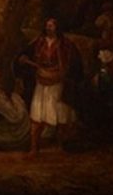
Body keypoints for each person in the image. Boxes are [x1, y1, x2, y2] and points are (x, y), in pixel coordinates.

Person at [16, 17, 83, 156]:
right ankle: (34, 148)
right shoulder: (38, 42)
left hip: (58, 82)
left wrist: (64, 73)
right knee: (37, 116)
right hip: (41, 82)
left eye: (51, 26)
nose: (48, 28)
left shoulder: (66, 44)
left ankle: (60, 146)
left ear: (57, 27)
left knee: (60, 115)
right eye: (47, 25)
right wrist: (23, 59)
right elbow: (24, 55)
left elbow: (74, 63)